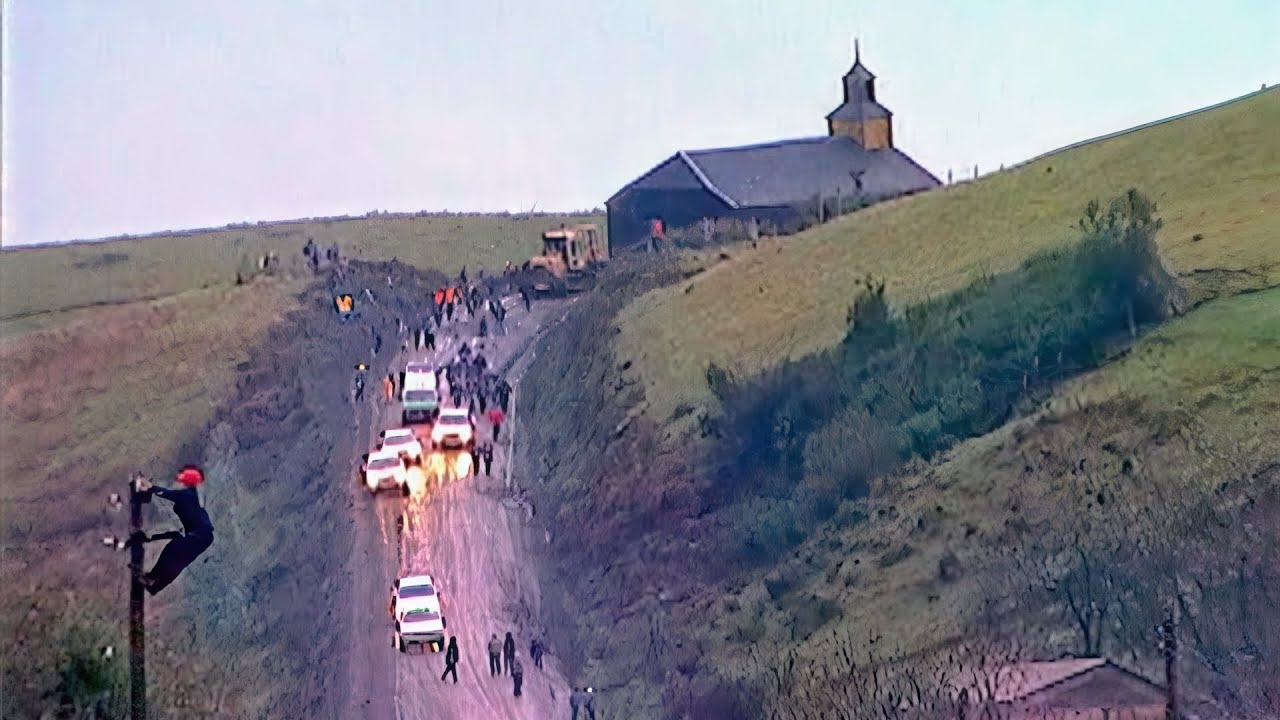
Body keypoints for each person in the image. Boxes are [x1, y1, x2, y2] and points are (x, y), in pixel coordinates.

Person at [135, 467, 214, 596]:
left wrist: (150, 487)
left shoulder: (185, 495)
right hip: (203, 537)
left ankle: (152, 579)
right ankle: (155, 586)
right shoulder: (190, 494)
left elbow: (166, 493)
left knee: (173, 550)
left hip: (201, 535)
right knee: (178, 557)